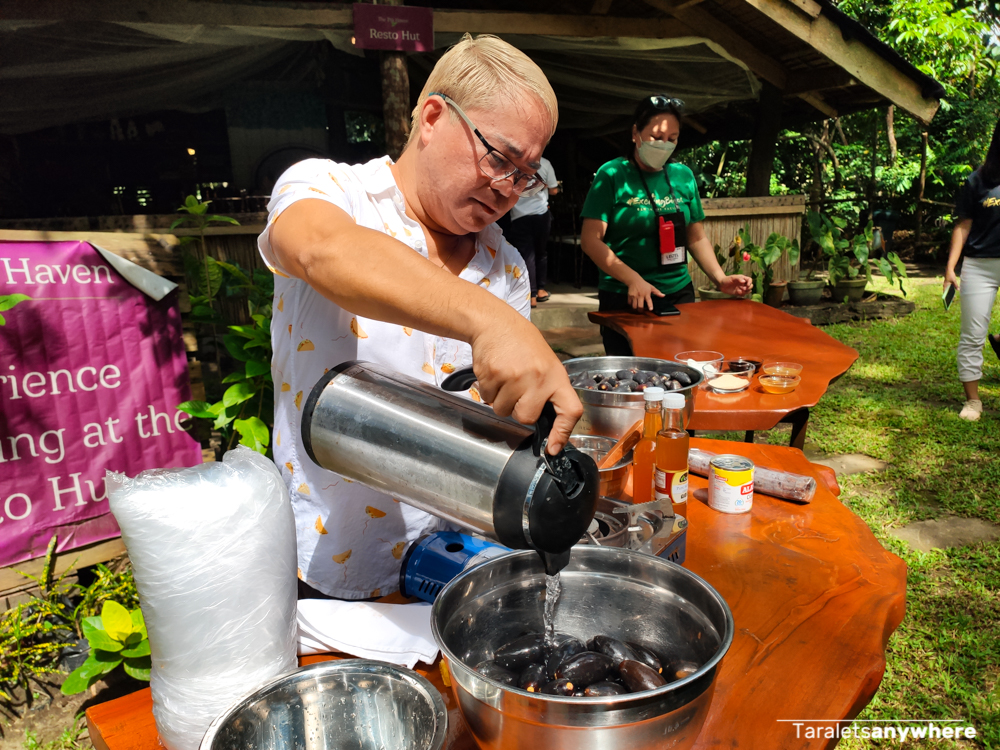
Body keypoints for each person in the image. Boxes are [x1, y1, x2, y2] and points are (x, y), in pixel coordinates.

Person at [257, 34, 582, 599]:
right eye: (500, 157)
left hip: (456, 558)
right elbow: (320, 248)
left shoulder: (502, 264)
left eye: (526, 174)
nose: (508, 189)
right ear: (433, 116)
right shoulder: (331, 189)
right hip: (329, 566)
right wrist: (491, 322)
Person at [580, 95, 752, 355]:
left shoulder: (683, 176)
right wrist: (633, 280)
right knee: (631, 380)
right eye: (656, 137)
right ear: (635, 133)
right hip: (625, 297)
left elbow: (695, 238)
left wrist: (721, 279)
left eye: (672, 139)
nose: (664, 145)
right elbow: (591, 240)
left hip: (677, 294)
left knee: (680, 372)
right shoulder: (612, 175)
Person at [944, 117, 1000, 422]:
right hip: (980, 265)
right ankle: (973, 401)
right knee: (973, 335)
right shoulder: (977, 181)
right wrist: (951, 267)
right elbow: (963, 225)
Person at [506, 156, 559, 307]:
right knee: (541, 252)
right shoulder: (546, 163)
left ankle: (531, 295)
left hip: (519, 215)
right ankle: (541, 289)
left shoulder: (513, 162)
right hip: (541, 213)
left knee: (526, 254)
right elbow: (554, 190)